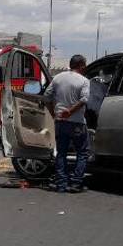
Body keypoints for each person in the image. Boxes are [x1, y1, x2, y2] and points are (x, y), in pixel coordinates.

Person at [44, 54, 90, 193]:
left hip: (60, 122)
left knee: (61, 153)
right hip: (77, 123)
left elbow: (46, 96)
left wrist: (53, 113)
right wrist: (70, 112)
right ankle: (76, 183)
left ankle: (61, 184)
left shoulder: (58, 78)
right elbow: (84, 100)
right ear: (81, 65)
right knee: (82, 152)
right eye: (84, 65)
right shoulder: (84, 81)